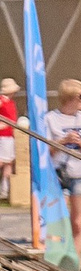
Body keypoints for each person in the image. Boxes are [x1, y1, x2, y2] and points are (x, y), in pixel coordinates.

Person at [44, 78, 81, 245]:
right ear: (69, 97)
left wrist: (80, 142)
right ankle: (56, 256)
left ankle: (73, 266)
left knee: (78, 223)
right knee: (57, 221)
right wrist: (63, 141)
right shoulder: (50, 118)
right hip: (59, 173)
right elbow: (46, 153)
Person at [0, 76, 18, 205]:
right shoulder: (1, 100)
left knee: (9, 162)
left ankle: (5, 189)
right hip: (3, 134)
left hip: (10, 134)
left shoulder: (10, 102)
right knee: (3, 161)